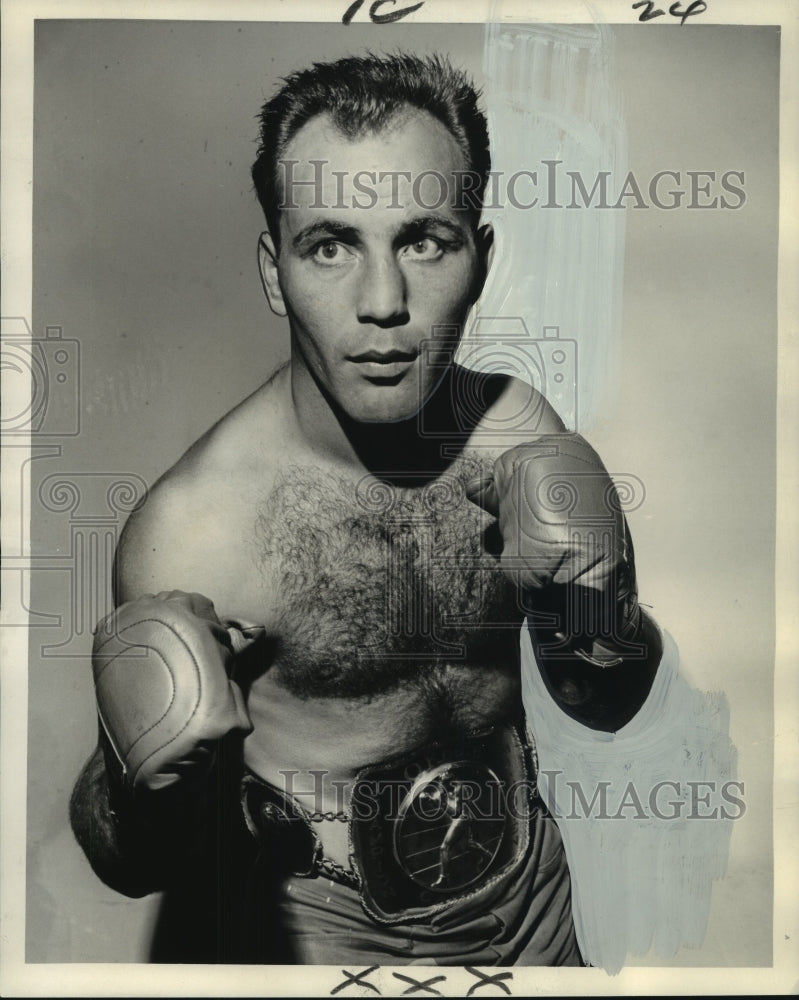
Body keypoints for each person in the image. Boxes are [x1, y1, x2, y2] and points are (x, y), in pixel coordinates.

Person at [69, 51, 662, 966]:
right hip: (312, 939)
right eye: (330, 245)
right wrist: (140, 791)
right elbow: (137, 862)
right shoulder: (196, 531)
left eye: (423, 240)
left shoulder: (521, 438)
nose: (382, 303)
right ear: (276, 273)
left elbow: (603, 704)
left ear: (481, 258)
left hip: (529, 906)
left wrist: (596, 613)